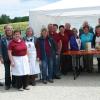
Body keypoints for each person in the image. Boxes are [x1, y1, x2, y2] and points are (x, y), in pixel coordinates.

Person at [0, 24, 15, 90]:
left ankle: (14, 83)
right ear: (6, 31)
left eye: (10, 29)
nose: (9, 31)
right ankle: (7, 84)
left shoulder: (15, 38)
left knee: (14, 71)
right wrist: (1, 57)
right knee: (7, 71)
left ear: (12, 30)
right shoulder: (2, 38)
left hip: (14, 58)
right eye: (8, 30)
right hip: (5, 57)